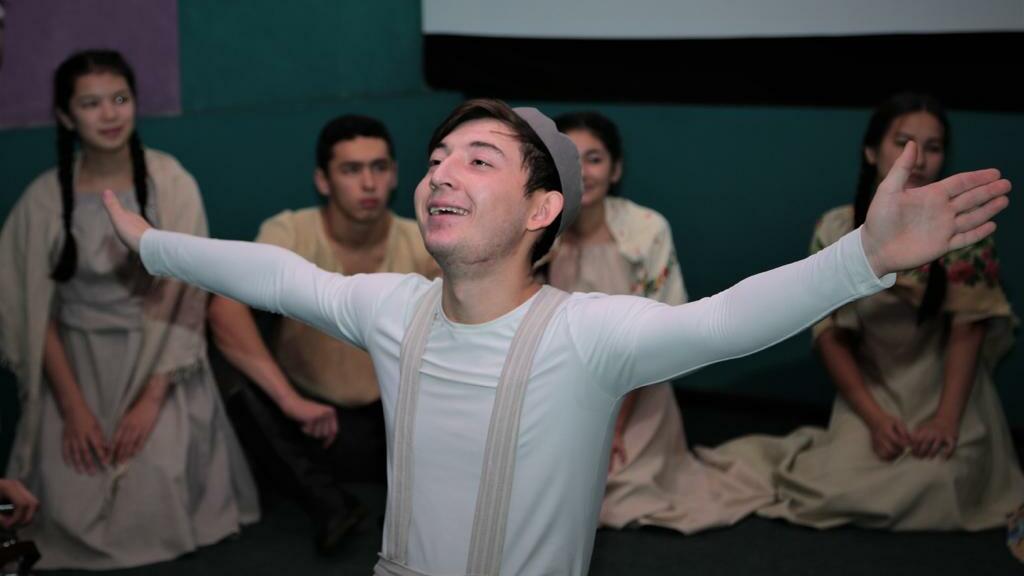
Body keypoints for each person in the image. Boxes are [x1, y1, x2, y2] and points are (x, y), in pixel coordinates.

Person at [101, 98, 1009, 575]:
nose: (440, 173)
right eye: (437, 159)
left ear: (542, 209)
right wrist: (153, 245)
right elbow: (277, 276)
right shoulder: (391, 308)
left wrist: (863, 257)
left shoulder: (588, 335)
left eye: (478, 159)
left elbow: (726, 321)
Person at [708, 92, 1023, 531]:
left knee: (939, 482)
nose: (918, 159)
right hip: (873, 386)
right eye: (903, 143)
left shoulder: (960, 229)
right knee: (833, 489)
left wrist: (946, 418)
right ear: (872, 151)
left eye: (932, 147)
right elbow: (830, 333)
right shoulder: (838, 227)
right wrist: (874, 418)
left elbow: (968, 330)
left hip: (945, 387)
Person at [0, 49, 258, 569]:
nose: (109, 114)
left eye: (120, 99)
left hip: (160, 358)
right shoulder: (42, 199)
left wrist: (151, 399)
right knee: (68, 497)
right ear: (66, 116)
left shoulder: (172, 182)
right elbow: (30, 310)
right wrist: (72, 408)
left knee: (158, 486)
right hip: (76, 367)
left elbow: (191, 294)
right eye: (91, 103)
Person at [208, 114, 438, 553]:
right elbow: (224, 309)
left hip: (396, 422)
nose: (368, 183)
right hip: (309, 420)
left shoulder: (422, 238)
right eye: (351, 170)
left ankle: (411, 512)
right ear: (323, 180)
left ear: (394, 175)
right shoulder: (290, 231)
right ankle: (329, 505)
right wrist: (290, 401)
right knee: (231, 379)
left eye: (379, 167)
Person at [547, 111, 769, 533]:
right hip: (560, 386)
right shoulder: (538, 226)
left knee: (613, 496)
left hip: (637, 388)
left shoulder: (646, 229)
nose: (582, 172)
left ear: (615, 169)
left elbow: (657, 339)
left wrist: (613, 425)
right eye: (569, 159)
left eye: (594, 159)